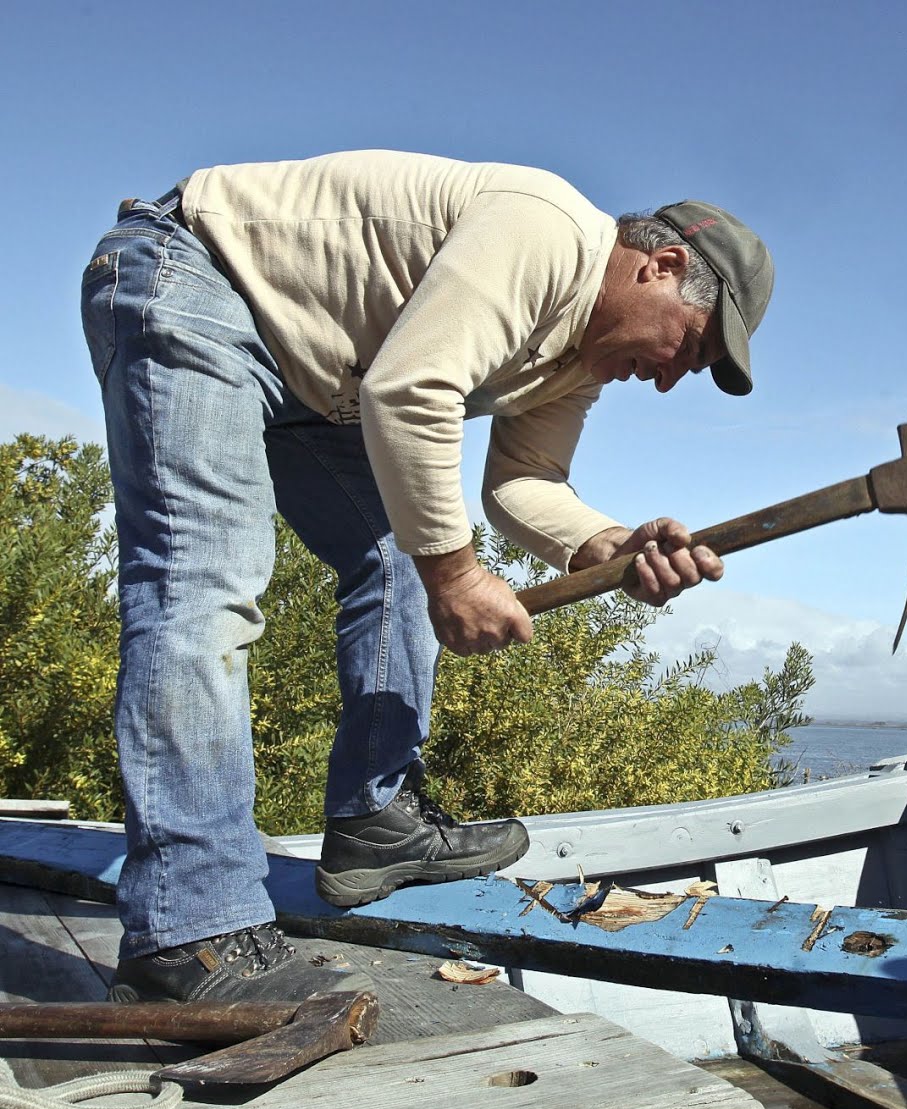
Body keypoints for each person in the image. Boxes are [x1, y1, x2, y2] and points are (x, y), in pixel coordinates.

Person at [80, 150, 773, 1004]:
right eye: (689, 347)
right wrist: (457, 574)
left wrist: (611, 547)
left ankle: (376, 820)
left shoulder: (576, 362)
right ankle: (190, 931)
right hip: (198, 277)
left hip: (323, 375)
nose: (670, 378)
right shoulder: (544, 229)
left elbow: (524, 486)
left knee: (405, 552)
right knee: (203, 589)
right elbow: (411, 390)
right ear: (661, 265)